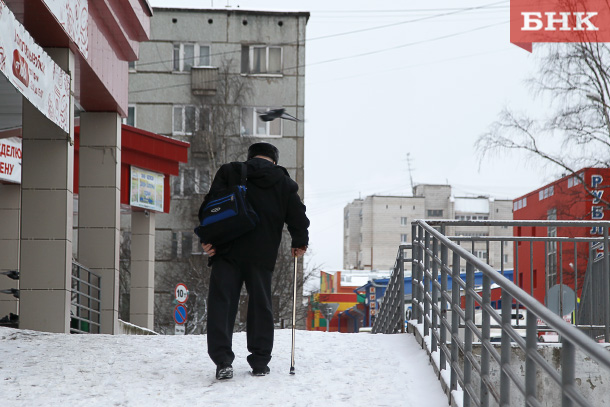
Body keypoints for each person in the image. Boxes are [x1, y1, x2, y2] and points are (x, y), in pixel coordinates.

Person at [199, 142, 309, 380]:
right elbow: (298, 217)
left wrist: (207, 240)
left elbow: (208, 209)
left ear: (250, 157)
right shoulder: (284, 183)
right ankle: (260, 362)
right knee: (261, 304)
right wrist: (299, 243)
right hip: (262, 255)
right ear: (274, 161)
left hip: (227, 251)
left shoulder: (230, 171)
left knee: (222, 304)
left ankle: (223, 361)